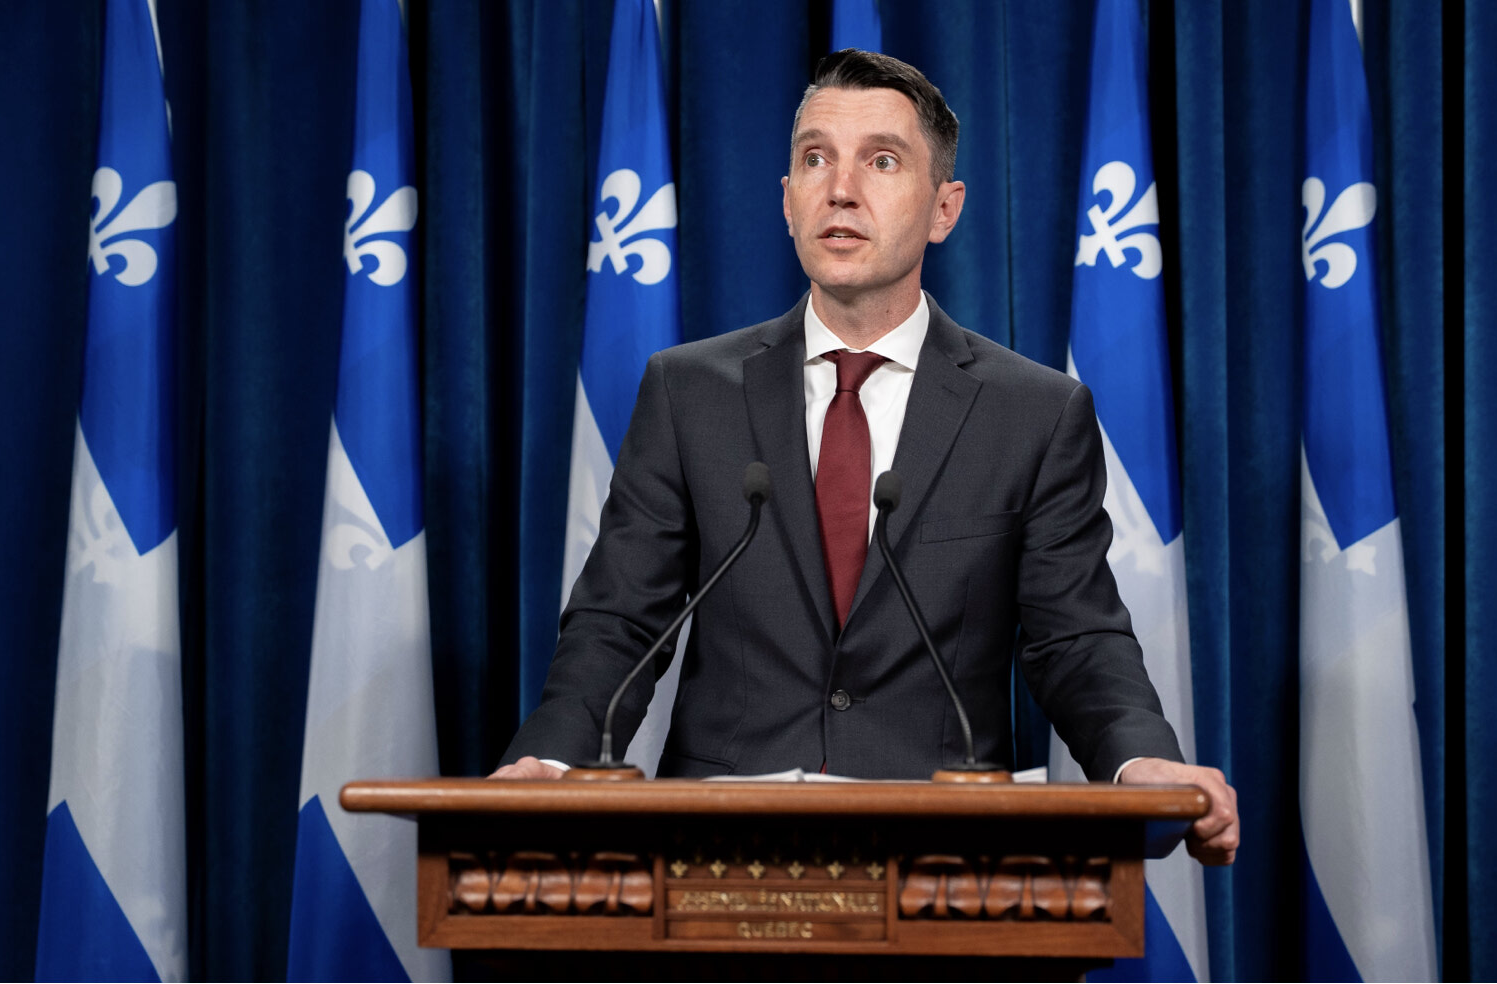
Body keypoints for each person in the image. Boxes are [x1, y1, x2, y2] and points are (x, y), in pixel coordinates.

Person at [494, 49, 1237, 867]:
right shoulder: (688, 392)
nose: (840, 189)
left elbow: (1076, 640)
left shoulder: (1034, 413)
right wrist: (550, 760)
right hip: (722, 856)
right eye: (816, 159)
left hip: (944, 860)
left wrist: (1140, 759)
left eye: (882, 161)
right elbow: (620, 621)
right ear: (787, 201)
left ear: (944, 208)